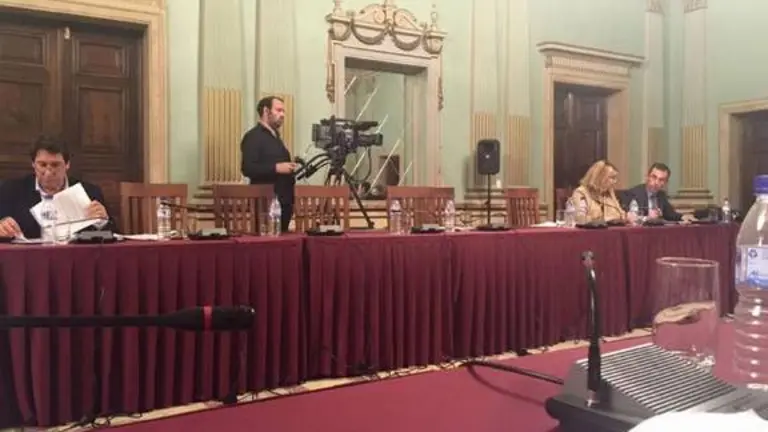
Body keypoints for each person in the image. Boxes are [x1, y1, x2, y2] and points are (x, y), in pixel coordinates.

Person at [0, 136, 112, 238]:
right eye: (42, 165)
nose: (48, 172)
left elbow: (113, 235)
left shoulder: (90, 192)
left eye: (55, 165)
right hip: (31, 253)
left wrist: (102, 222)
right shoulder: (12, 190)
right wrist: (2, 227)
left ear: (67, 164)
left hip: (75, 253)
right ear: (33, 164)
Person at [240, 96, 297, 232]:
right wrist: (276, 168)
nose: (282, 115)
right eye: (278, 110)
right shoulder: (253, 136)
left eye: (283, 111)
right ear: (266, 111)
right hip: (264, 204)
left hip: (284, 203)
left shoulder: (276, 137)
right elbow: (248, 168)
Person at [621, 162, 689, 222]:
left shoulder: (661, 195)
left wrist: (683, 217)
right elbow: (631, 218)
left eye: (661, 180)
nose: (656, 182)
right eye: (654, 177)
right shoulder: (634, 193)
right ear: (647, 177)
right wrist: (648, 218)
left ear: (665, 183)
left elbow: (670, 214)